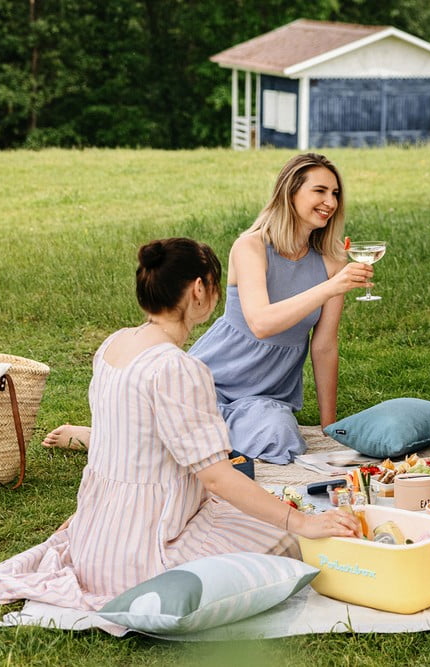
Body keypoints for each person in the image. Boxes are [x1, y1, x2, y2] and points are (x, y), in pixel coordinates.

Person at [0, 238, 360, 612]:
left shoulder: (113, 345)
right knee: (286, 542)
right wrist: (301, 523)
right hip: (148, 553)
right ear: (199, 290)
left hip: (96, 541)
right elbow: (217, 478)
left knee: (251, 512)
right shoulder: (179, 369)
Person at [42, 153, 374, 463]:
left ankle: (194, 441)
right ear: (290, 193)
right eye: (320, 191)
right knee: (176, 430)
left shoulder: (332, 262)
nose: (330, 202)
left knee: (279, 438)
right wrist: (333, 286)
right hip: (210, 378)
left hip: (265, 396)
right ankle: (98, 437)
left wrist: (330, 427)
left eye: (335, 193)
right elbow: (260, 322)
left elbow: (324, 345)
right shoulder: (252, 246)